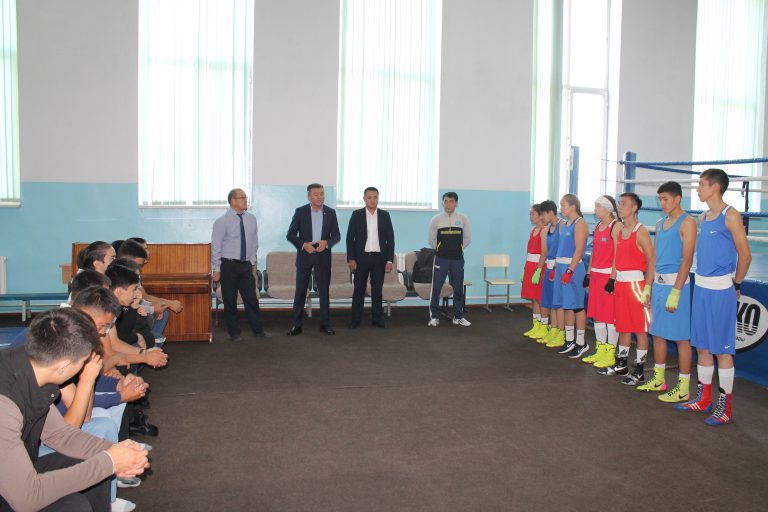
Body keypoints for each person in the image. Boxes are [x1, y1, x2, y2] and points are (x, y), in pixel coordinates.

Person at [0, 309, 149, 512]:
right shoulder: (5, 405)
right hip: (16, 490)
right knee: (74, 506)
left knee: (94, 465)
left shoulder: (33, 366)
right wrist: (110, 462)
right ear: (63, 366)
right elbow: (27, 498)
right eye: (82, 363)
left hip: (15, 473)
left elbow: (59, 435)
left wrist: (114, 451)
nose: (82, 369)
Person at [675, 169, 751, 425]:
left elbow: (745, 256)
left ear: (716, 187)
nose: (698, 188)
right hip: (702, 289)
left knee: (722, 351)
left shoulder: (731, 215)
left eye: (701, 184)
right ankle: (703, 398)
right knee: (703, 347)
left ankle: (725, 406)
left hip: (721, 290)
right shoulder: (702, 217)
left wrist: (736, 283)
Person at [639, 181, 696, 400]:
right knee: (658, 333)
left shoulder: (687, 222)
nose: (662, 203)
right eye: (660, 199)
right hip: (659, 286)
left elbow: (687, 260)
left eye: (665, 199)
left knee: (681, 338)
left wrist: (677, 291)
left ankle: (683, 388)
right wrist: (647, 286)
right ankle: (659, 379)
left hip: (676, 286)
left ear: (678, 199)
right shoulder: (660, 223)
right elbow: (653, 258)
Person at [598, 192, 655, 385]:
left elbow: (652, 260)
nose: (619, 207)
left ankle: (639, 370)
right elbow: (617, 258)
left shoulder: (641, 231)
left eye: (623, 204)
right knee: (623, 326)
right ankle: (621, 364)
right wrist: (612, 279)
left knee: (640, 329)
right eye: (619, 203)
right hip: (621, 285)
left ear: (634, 208)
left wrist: (647, 288)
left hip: (636, 286)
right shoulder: (620, 231)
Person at [211, 188, 270, 342]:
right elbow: (216, 247)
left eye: (245, 197)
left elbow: (254, 242)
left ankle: (258, 330)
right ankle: (234, 333)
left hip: (245, 265)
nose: (245, 200)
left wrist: (251, 261)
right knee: (230, 300)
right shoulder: (221, 222)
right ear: (232, 201)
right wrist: (217, 269)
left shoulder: (251, 219)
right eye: (242, 197)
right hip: (228, 265)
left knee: (251, 299)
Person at [286, 183, 341, 336]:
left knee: (324, 292)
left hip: (323, 256)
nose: (320, 197)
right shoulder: (301, 211)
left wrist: (327, 243)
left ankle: (325, 324)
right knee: (300, 291)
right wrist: (304, 245)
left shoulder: (330, 213)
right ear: (309, 196)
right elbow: (290, 234)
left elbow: (337, 235)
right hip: (305, 256)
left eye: (322, 194)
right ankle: (296, 325)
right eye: (316, 194)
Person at [346, 187, 395, 328]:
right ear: (364, 199)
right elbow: (350, 238)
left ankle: (377, 319)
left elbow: (390, 239)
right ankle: (355, 320)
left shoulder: (385, 215)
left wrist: (389, 260)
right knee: (358, 290)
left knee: (377, 290)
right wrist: (351, 258)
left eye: (375, 197)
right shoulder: (357, 215)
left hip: (379, 259)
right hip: (361, 258)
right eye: (369, 197)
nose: (372, 200)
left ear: (378, 198)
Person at [582, 195, 621, 367]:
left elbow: (618, 254)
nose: (595, 210)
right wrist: (588, 273)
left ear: (607, 209)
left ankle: (610, 353)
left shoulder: (616, 226)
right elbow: (595, 252)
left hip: (607, 276)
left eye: (598, 207)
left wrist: (613, 277)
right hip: (596, 275)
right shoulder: (598, 226)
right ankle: (600, 350)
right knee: (598, 316)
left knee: (609, 317)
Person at [551, 194, 589, 359]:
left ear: (573, 206)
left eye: (563, 205)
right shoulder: (565, 224)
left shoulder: (580, 223)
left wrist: (570, 271)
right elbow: (560, 249)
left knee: (577, 306)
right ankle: (569, 340)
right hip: (561, 266)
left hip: (573, 268)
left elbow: (579, 250)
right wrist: (555, 268)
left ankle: (581, 343)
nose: (561, 208)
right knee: (566, 305)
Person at [427, 192, 472, 327]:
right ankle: (434, 317)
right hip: (441, 259)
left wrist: (458, 248)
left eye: (451, 201)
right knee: (436, 288)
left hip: (457, 259)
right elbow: (431, 239)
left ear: (456, 203)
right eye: (445, 201)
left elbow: (467, 238)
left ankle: (458, 316)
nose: (448, 204)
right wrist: (441, 249)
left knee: (458, 288)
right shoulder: (436, 219)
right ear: (442, 203)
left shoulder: (463, 219)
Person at [537, 201, 565, 346]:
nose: (541, 218)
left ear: (550, 212)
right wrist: (538, 270)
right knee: (550, 302)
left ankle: (561, 333)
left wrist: (558, 267)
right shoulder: (545, 230)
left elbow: (567, 249)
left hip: (559, 267)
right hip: (548, 268)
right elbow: (544, 252)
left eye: (543, 214)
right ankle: (553, 330)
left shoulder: (562, 225)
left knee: (558, 304)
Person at [522, 204, 548, 338]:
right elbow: (529, 251)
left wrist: (538, 270)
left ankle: (544, 326)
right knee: (533, 298)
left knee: (540, 298)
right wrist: (525, 269)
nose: (531, 216)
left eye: (533, 213)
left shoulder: (544, 230)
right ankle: (536, 326)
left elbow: (544, 252)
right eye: (530, 213)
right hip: (530, 266)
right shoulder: (533, 230)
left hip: (539, 266)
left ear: (540, 215)